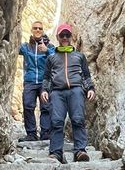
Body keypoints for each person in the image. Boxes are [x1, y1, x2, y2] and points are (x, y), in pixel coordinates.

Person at [40, 23, 96, 163]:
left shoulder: (79, 56)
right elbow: (47, 77)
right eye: (62, 35)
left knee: (78, 119)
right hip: (57, 92)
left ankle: (80, 151)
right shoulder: (51, 58)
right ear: (58, 37)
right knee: (57, 122)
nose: (65, 37)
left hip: (76, 90)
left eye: (68, 35)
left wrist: (90, 88)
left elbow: (85, 75)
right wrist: (44, 90)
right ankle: (55, 152)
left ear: (71, 37)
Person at [18, 21, 55, 142]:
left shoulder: (49, 47)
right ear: (31, 30)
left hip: (45, 81)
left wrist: (46, 50)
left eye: (40, 28)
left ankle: (45, 132)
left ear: (43, 31)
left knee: (46, 107)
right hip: (30, 81)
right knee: (28, 106)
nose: (38, 30)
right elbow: (13, 47)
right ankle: (31, 133)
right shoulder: (26, 47)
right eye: (35, 28)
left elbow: (57, 57)